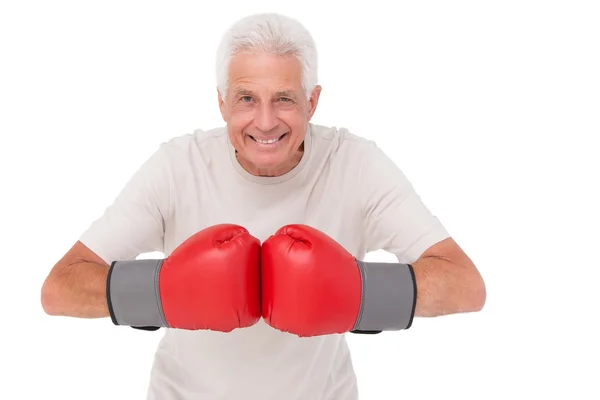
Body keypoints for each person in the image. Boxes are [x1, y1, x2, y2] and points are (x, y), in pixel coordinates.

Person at [40, 12, 486, 400]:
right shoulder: (178, 166)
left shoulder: (356, 164)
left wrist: (355, 294)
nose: (266, 121)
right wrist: (166, 293)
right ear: (221, 103)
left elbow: (465, 285)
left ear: (312, 102)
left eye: (285, 99)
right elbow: (60, 288)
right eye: (247, 99)